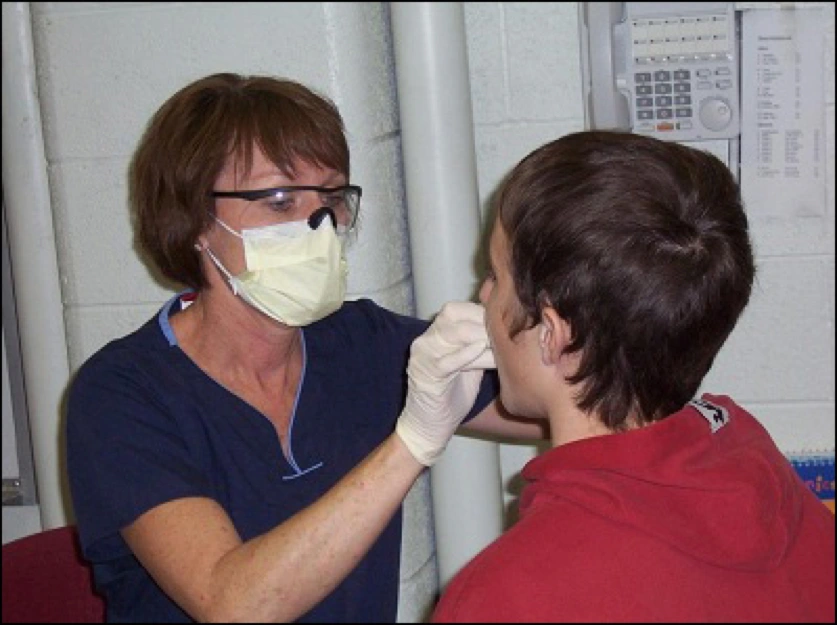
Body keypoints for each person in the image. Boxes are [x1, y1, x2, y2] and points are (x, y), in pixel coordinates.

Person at [65, 72, 545, 623]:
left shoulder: (360, 343)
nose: (317, 224)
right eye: (278, 200)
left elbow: (555, 404)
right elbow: (233, 603)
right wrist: (412, 442)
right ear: (195, 219)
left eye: (331, 198)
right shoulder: (124, 393)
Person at [432, 130, 836, 623]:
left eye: (495, 276)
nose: (483, 298)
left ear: (554, 333)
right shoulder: (750, 459)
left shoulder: (503, 597)